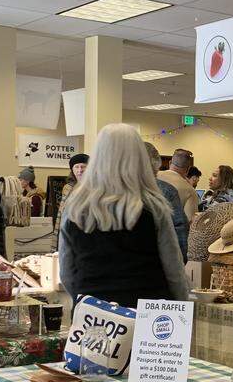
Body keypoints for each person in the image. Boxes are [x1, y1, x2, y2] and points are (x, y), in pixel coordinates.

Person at [59, 124, 188, 307]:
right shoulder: (153, 206)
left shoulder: (75, 206)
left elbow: (66, 272)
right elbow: (173, 271)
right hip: (146, 314)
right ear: (138, 158)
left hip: (92, 314)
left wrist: (85, 299)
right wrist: (183, 306)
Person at [145, 142, 188, 261]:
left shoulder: (111, 193)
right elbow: (180, 231)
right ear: (156, 165)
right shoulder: (168, 191)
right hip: (156, 266)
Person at [157, 148, 198, 225]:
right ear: (188, 169)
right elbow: (190, 222)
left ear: (170, 163)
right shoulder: (190, 190)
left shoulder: (152, 176)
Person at [55, 152, 87, 227]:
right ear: (72, 169)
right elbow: (61, 212)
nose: (80, 170)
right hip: (69, 227)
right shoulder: (67, 188)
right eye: (76, 167)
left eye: (83, 167)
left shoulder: (95, 187)